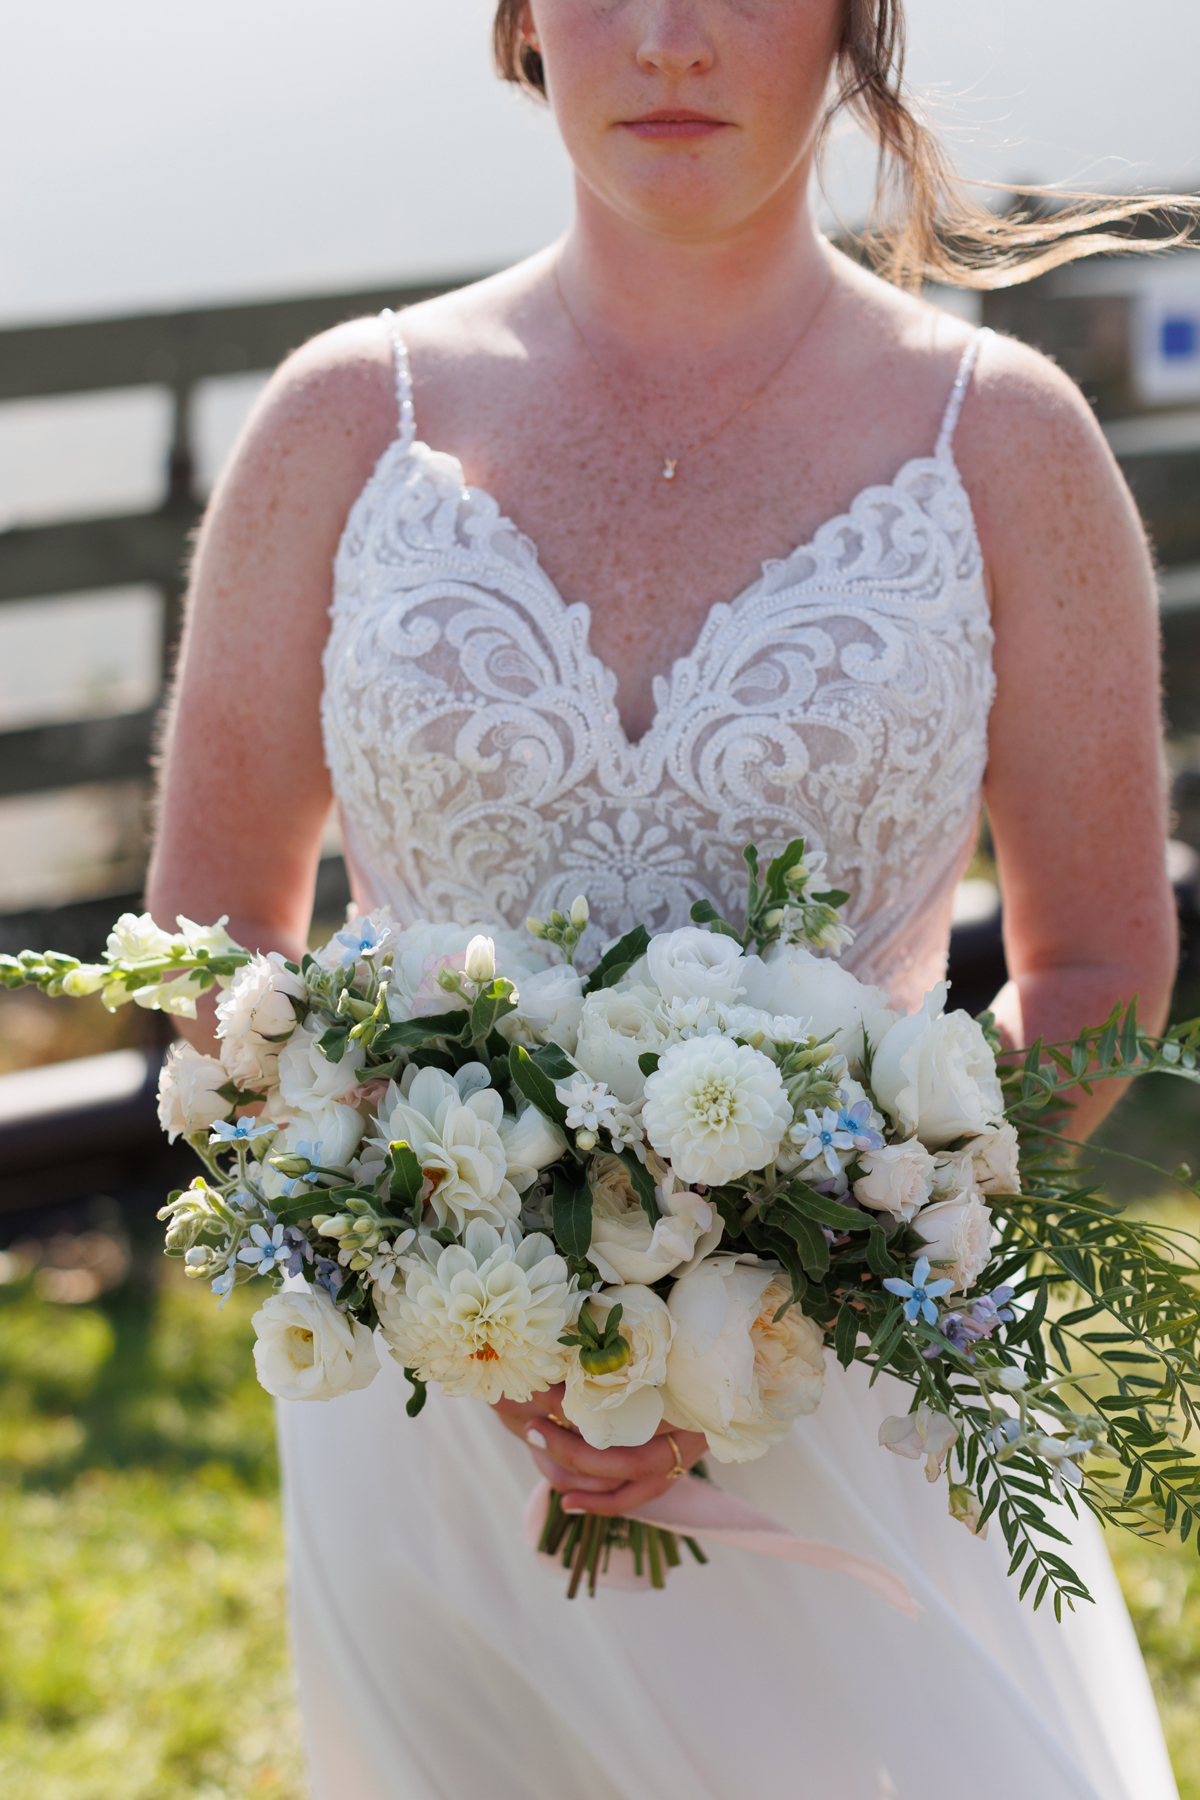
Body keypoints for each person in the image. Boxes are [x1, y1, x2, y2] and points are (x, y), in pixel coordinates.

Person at [147, 3, 1186, 1794]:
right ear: (527, 18)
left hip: (853, 1416)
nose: (674, 39)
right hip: (442, 1419)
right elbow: (217, 926)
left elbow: (1095, 954)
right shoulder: (344, 424)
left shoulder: (1004, 445)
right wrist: (430, 1266)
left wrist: (803, 1279)